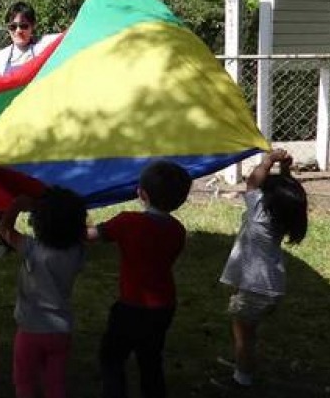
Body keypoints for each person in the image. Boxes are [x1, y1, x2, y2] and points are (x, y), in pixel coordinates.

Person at [88, 160, 192, 398]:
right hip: (164, 306)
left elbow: (91, 235)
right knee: (151, 359)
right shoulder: (178, 230)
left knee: (112, 358)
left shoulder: (128, 222)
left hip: (131, 307)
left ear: (141, 193)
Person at [214, 149, 308, 390]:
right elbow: (287, 192)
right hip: (269, 286)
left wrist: (268, 162)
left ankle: (241, 379)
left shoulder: (258, 213)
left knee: (244, 338)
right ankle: (242, 363)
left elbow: (253, 181)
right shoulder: (283, 214)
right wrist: (285, 170)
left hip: (255, 289)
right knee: (248, 334)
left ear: (266, 199)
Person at [0, 188, 88, 398]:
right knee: (55, 384)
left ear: (38, 222)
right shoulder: (78, 251)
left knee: (25, 382)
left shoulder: (31, 248)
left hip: (30, 330)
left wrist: (17, 206)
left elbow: (4, 229)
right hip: (61, 330)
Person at [0, 1, 62, 80]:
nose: (18, 31)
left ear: (33, 26)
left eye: (23, 26)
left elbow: (69, 35)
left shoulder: (45, 45)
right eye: (13, 27)